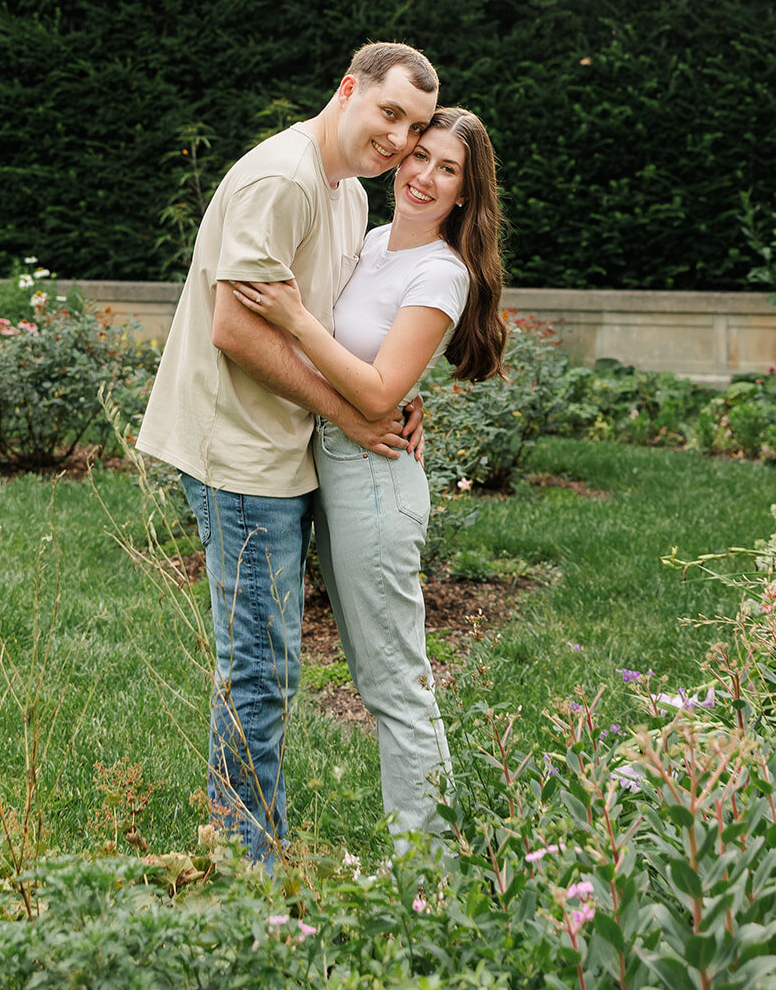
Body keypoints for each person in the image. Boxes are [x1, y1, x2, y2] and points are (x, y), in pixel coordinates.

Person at [135, 43, 439, 866]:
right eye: (389, 113)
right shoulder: (286, 178)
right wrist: (352, 408)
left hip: (282, 443)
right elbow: (233, 328)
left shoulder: (342, 192)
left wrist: (391, 395)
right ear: (349, 90)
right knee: (260, 670)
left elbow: (325, 326)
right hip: (237, 452)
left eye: (413, 128)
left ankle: (242, 838)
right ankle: (245, 858)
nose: (399, 140)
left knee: (268, 665)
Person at [233, 106, 507, 847]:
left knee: (394, 687)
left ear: (464, 194)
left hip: (374, 480)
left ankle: (428, 877)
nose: (421, 176)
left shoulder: (440, 271)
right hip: (334, 464)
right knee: (377, 680)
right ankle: (423, 865)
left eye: (446, 169)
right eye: (418, 156)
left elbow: (381, 391)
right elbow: (374, 375)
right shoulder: (375, 241)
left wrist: (294, 319)